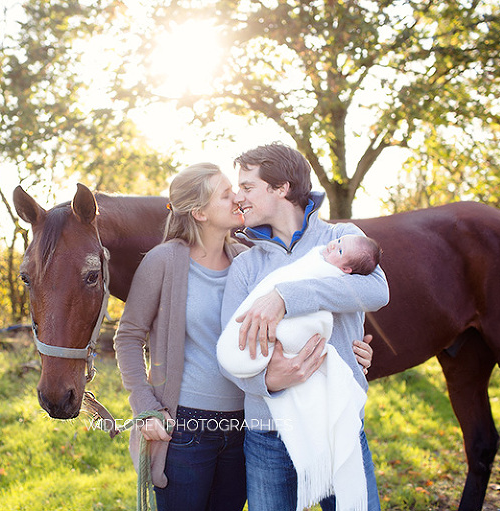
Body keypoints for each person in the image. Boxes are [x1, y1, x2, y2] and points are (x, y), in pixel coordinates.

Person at [113, 163, 375, 511]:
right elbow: (128, 336)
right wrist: (145, 407)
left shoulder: (247, 260)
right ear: (199, 212)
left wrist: (343, 354)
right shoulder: (163, 261)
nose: (237, 197)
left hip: (243, 425)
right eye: (226, 193)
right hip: (186, 427)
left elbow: (292, 321)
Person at [219, 143, 390, 511]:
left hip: (337, 424)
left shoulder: (339, 238)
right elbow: (228, 352)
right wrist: (266, 381)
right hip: (268, 432)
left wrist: (285, 295)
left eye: (247, 187)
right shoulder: (246, 266)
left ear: (281, 188)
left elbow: (377, 290)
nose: (238, 197)